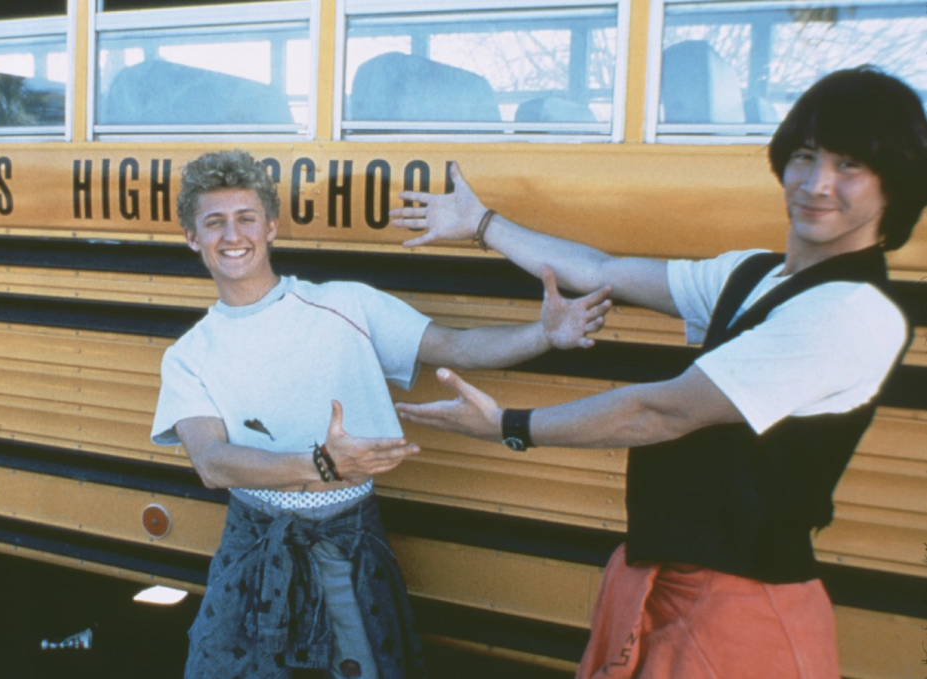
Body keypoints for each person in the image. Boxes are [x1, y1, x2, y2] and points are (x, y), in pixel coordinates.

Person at [388, 66, 927, 679]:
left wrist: (508, 425)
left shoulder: (850, 313)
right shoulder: (754, 274)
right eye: (806, 156)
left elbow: (663, 411)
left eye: (850, 165)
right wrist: (482, 225)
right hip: (666, 579)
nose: (817, 183)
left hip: (743, 610)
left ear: (895, 187)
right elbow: (600, 270)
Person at [150, 149, 611, 679]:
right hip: (255, 546)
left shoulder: (348, 304)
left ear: (271, 227)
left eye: (246, 218)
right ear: (192, 237)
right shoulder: (189, 353)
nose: (233, 235)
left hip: (349, 540)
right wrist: (322, 463)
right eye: (214, 223)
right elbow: (213, 462)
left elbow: (455, 347)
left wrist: (545, 335)